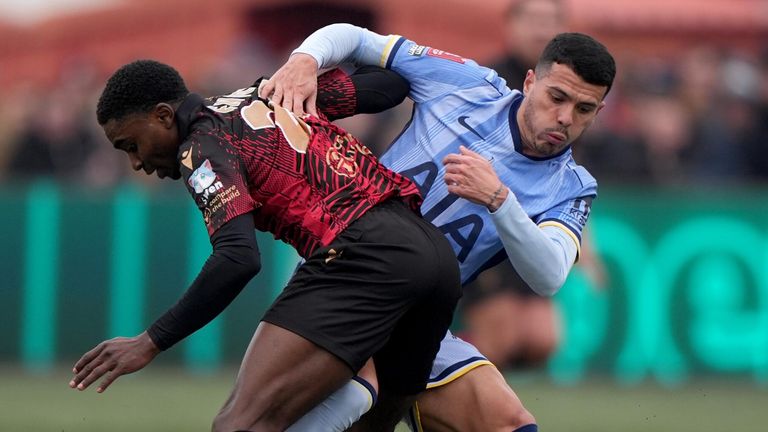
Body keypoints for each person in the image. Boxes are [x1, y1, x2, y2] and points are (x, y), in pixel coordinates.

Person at [67, 59, 463, 432]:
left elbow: (237, 257)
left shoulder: (199, 146)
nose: (136, 163)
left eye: (131, 145)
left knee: (238, 425)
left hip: (362, 255)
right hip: (435, 257)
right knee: (372, 425)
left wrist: (151, 340)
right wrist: (314, 64)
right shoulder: (271, 92)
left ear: (164, 116)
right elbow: (389, 87)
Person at [260, 23, 615, 431]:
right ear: (531, 81)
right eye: (557, 97)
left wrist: (500, 201)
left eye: (584, 109)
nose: (565, 118)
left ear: (598, 112)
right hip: (345, 284)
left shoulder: (571, 187)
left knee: (511, 424)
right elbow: (355, 38)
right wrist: (304, 60)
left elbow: (550, 276)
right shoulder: (467, 83)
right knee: (347, 399)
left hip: (417, 326)